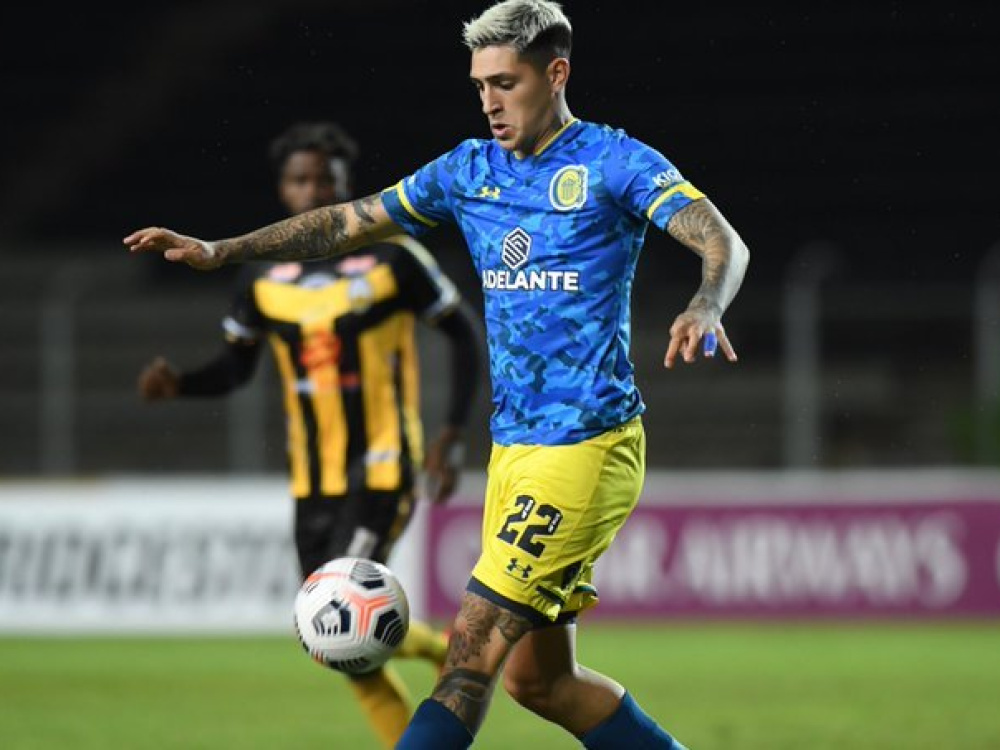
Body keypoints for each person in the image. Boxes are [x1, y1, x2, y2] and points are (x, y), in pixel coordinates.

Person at [126, 0, 750, 746]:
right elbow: (347, 222)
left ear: (556, 74)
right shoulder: (468, 170)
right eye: (480, 85)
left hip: (586, 447)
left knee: (467, 660)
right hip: (514, 451)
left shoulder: (613, 162)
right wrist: (223, 250)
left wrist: (706, 301)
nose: (489, 101)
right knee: (540, 683)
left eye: (505, 83)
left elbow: (722, 239)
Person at [135, 121, 483, 749]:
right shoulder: (261, 280)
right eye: (301, 179)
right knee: (336, 642)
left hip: (383, 464)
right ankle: (441, 646)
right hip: (312, 476)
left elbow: (464, 334)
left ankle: (438, 676)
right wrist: (180, 384)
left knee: (343, 614)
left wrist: (451, 434)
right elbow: (236, 369)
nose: (314, 189)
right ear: (283, 189)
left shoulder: (394, 258)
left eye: (327, 178)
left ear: (347, 183)